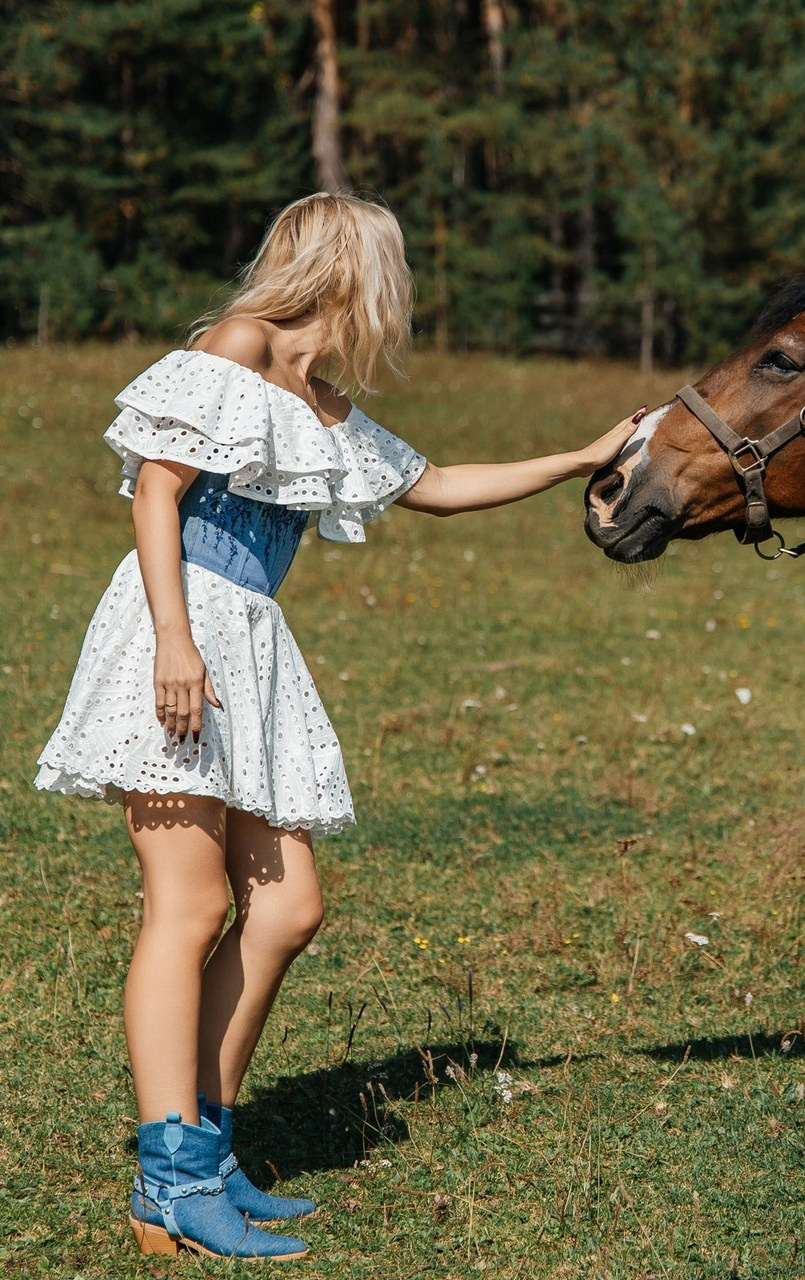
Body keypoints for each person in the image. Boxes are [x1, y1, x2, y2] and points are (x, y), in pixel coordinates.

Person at [34, 191, 639, 1261]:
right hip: (180, 625)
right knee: (190, 900)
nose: (394, 296)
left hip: (249, 638)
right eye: (387, 272)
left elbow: (437, 483)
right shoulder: (239, 342)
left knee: (288, 905)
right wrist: (176, 640)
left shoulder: (318, 397)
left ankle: (209, 1148)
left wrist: (574, 455)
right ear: (347, 269)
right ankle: (168, 1178)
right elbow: (158, 492)